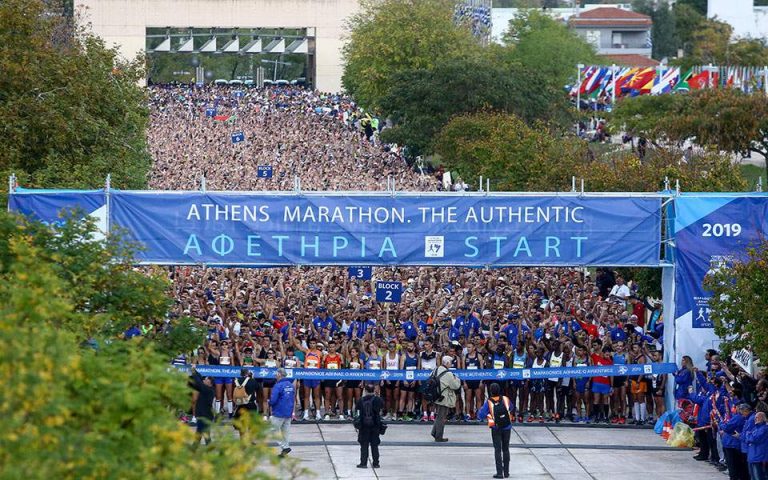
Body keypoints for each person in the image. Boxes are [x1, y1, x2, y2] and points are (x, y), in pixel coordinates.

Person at [477, 382, 513, 479]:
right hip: (507, 427)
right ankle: (506, 472)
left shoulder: (488, 402)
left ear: (490, 391)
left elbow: (480, 416)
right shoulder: (505, 399)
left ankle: (499, 473)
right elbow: (512, 408)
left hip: (496, 428)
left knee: (497, 450)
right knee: (506, 449)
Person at [431, 355, 461, 442]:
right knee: (442, 417)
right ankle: (438, 436)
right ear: (447, 363)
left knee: (438, 415)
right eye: (450, 363)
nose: (451, 364)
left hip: (436, 396)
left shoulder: (436, 369)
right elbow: (456, 386)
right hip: (444, 397)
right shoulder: (448, 374)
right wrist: (457, 379)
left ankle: (434, 432)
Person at [355, 382, 384, 469]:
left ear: (365, 390)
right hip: (375, 425)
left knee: (364, 445)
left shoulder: (361, 400)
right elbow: (381, 409)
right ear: (374, 390)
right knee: (374, 445)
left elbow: (357, 412)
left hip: (364, 426)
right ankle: (376, 463)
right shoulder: (378, 400)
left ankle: (363, 463)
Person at [269, 368, 295, 457]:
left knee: (273, 429)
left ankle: (284, 447)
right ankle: (285, 449)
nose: (275, 375)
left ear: (280, 374)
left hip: (279, 411)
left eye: (276, 373)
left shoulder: (278, 385)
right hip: (288, 411)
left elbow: (273, 400)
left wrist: (270, 403)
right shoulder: (290, 385)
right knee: (286, 431)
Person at [189, 369, 215, 446]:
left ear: (209, 383)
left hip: (205, 416)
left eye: (206, 379)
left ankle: (195, 447)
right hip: (204, 415)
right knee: (203, 432)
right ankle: (205, 446)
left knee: (200, 432)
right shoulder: (207, 388)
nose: (204, 380)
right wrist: (195, 371)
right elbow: (200, 378)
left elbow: (198, 382)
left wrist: (193, 372)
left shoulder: (207, 390)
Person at [746, 411, 768, 480]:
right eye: (755, 417)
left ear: (763, 418)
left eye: (757, 417)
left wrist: (748, 434)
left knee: (758, 477)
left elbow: (754, 439)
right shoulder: (755, 428)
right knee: (753, 477)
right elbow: (747, 440)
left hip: (759, 457)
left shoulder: (764, 428)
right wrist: (749, 436)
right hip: (752, 457)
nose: (755, 419)